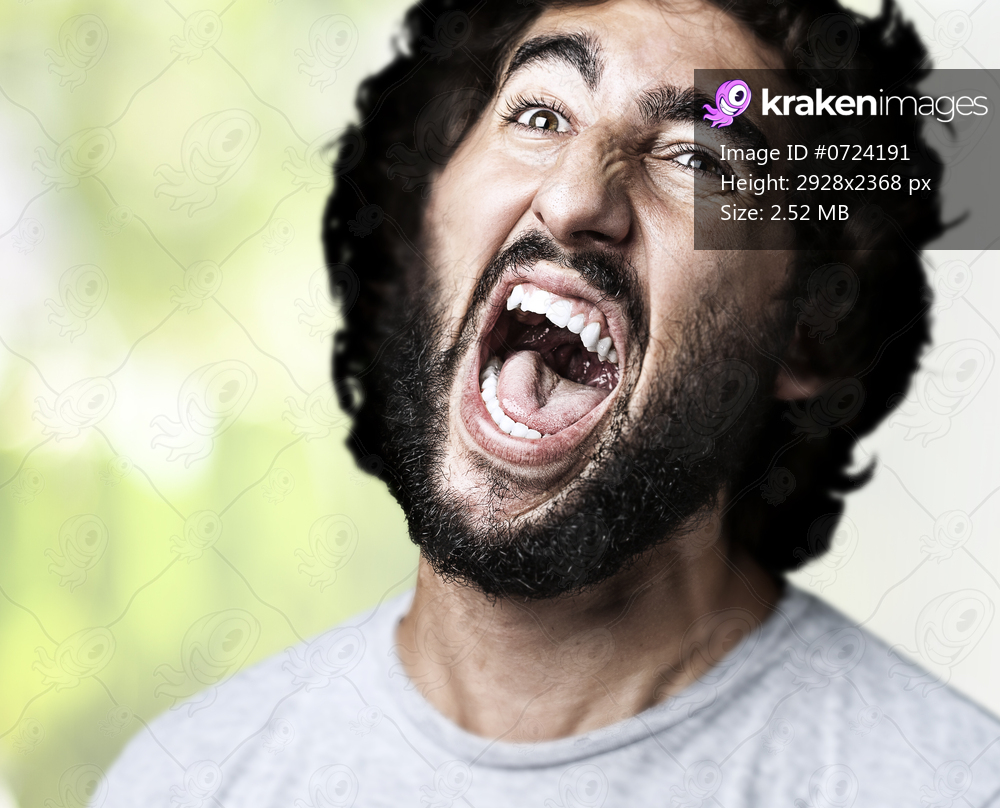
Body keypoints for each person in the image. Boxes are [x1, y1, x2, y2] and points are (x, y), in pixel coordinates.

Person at [100, 0, 1000, 805]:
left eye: (694, 156)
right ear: (426, 215)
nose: (575, 198)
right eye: (539, 114)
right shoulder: (187, 779)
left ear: (808, 329)